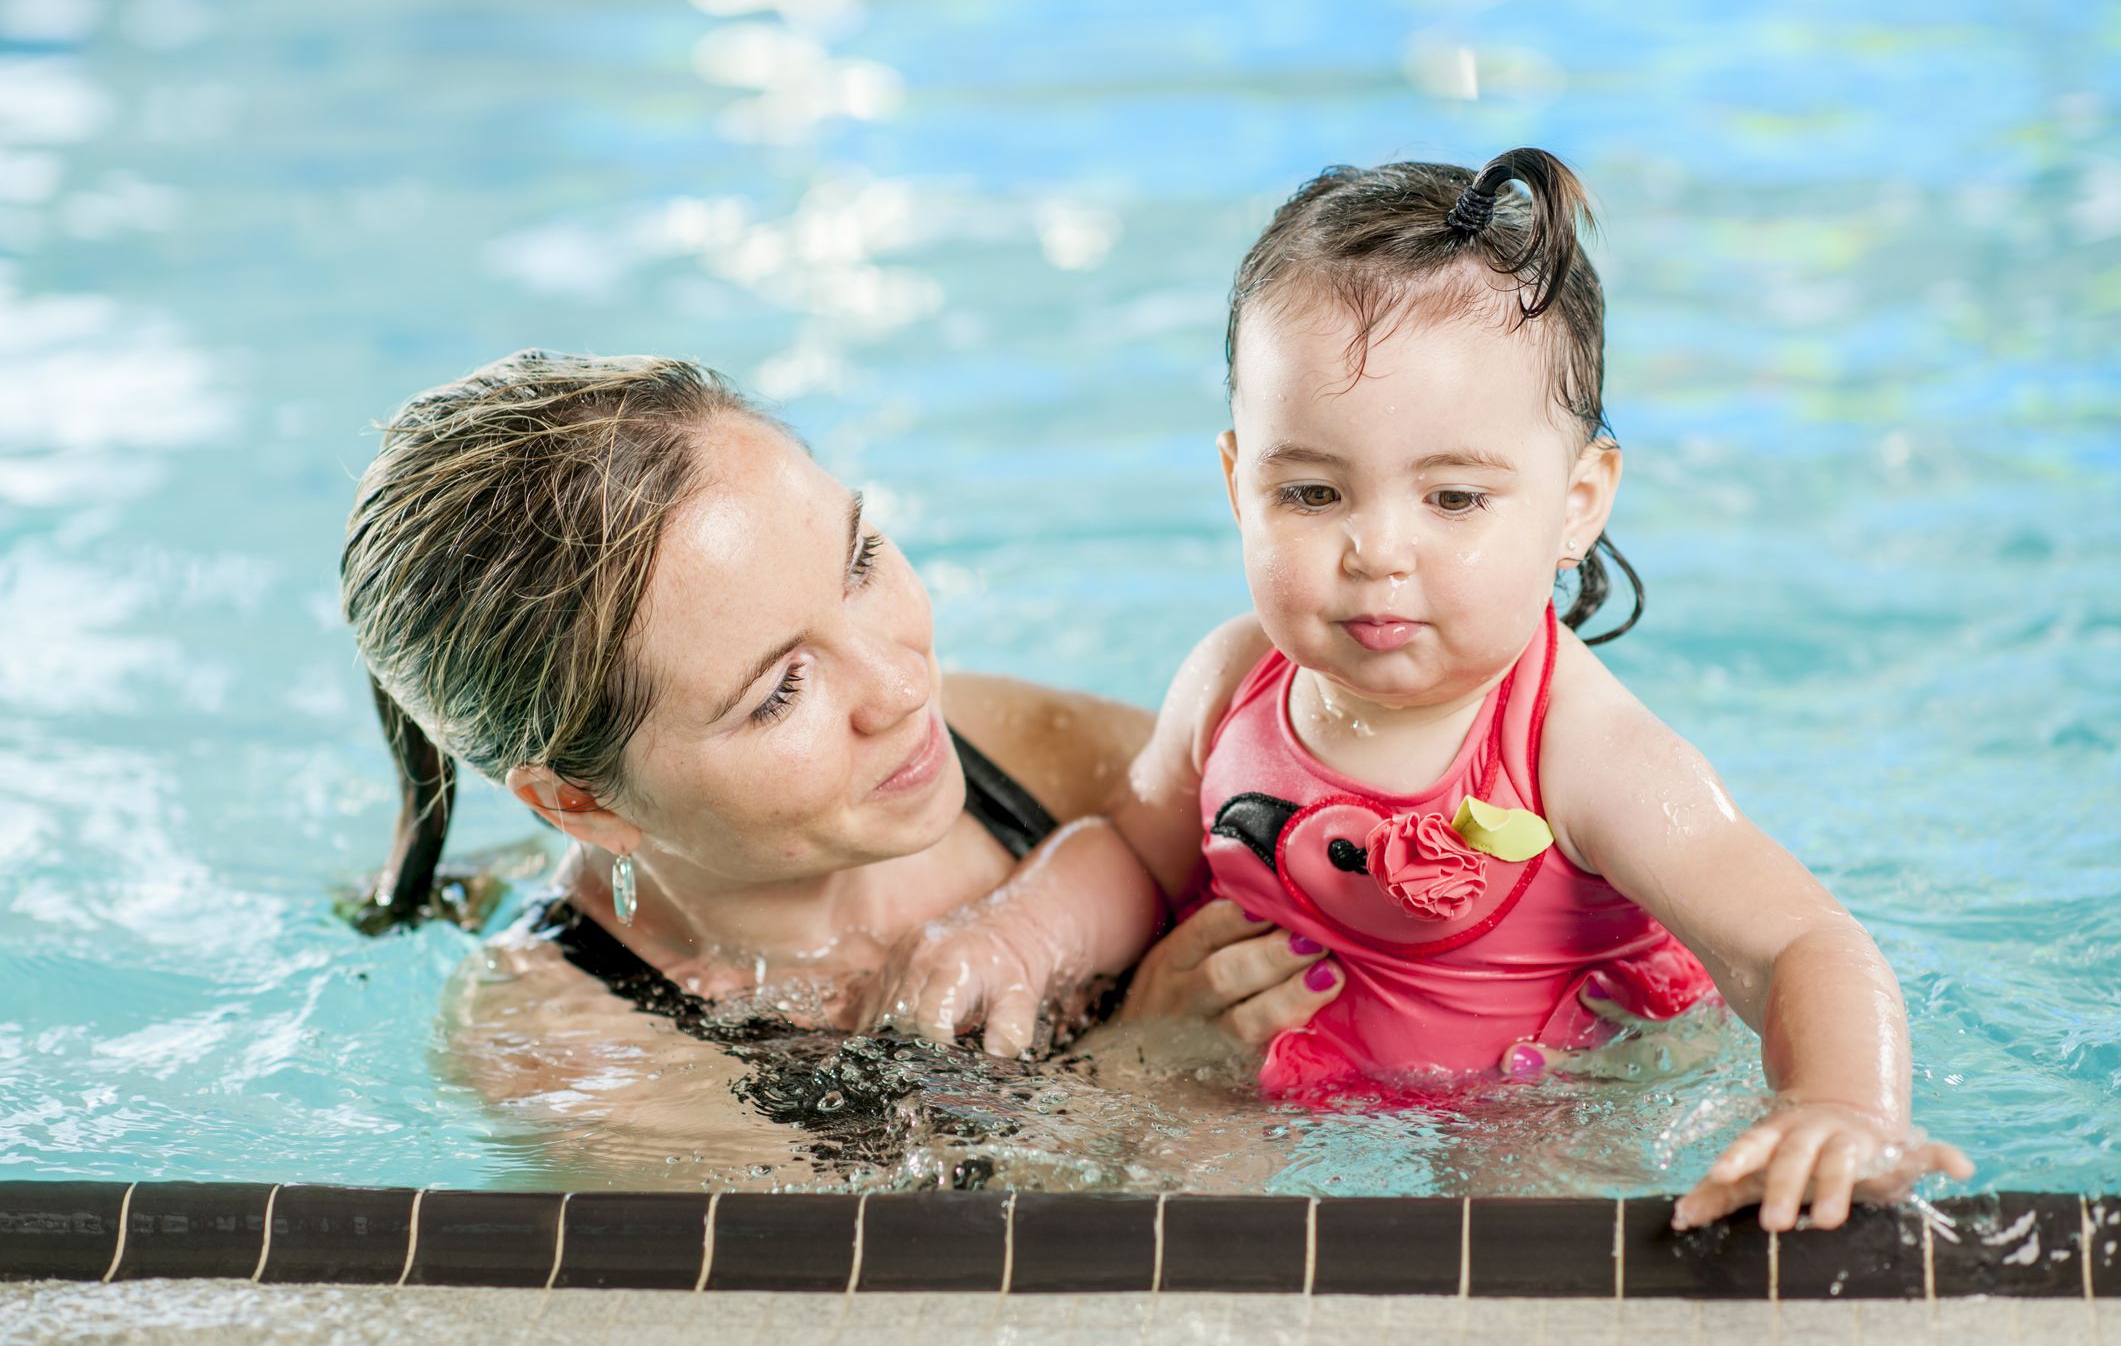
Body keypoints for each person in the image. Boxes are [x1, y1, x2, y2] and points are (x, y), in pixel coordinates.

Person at [864, 148, 1975, 1230]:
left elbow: (1798, 946)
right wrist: (1017, 934)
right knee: (1149, 1196)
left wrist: (1840, 1105)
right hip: (1260, 1064)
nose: (1377, 550)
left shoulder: (1578, 745)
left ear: (1578, 501)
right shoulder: (1230, 676)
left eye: (1453, 498)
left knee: (1514, 1226)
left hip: (1535, 1091)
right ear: (1234, 482)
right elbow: (1136, 852)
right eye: (1310, 491)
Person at [338, 350, 1339, 1182]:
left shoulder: (1013, 751)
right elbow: (897, 1302)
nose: (902, 691)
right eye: (780, 691)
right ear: (581, 802)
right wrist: (1131, 1082)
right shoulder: (579, 1055)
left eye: (860, 561)